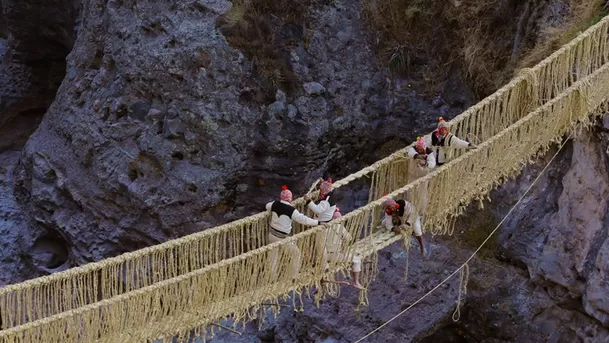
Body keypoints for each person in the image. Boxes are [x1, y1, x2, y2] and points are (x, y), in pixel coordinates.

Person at [265, 185, 327, 280]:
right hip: (282, 238)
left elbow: (267, 206)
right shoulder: (291, 210)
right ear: (290, 199)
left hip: (271, 235)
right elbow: (303, 219)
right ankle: (292, 276)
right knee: (296, 253)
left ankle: (272, 278)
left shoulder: (274, 204)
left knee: (273, 256)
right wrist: (318, 222)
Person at [317, 208, 364, 290]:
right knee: (357, 259)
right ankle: (356, 282)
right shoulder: (339, 227)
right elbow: (349, 238)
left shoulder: (321, 229)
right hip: (334, 255)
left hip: (323, 256)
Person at [406, 136, 436, 215]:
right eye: (418, 147)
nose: (418, 149)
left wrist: (426, 163)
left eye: (420, 148)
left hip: (423, 176)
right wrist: (418, 156)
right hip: (412, 174)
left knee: (422, 194)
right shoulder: (413, 149)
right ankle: (410, 210)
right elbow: (410, 153)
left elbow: (433, 163)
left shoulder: (429, 153)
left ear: (423, 147)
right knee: (410, 192)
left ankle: (422, 211)